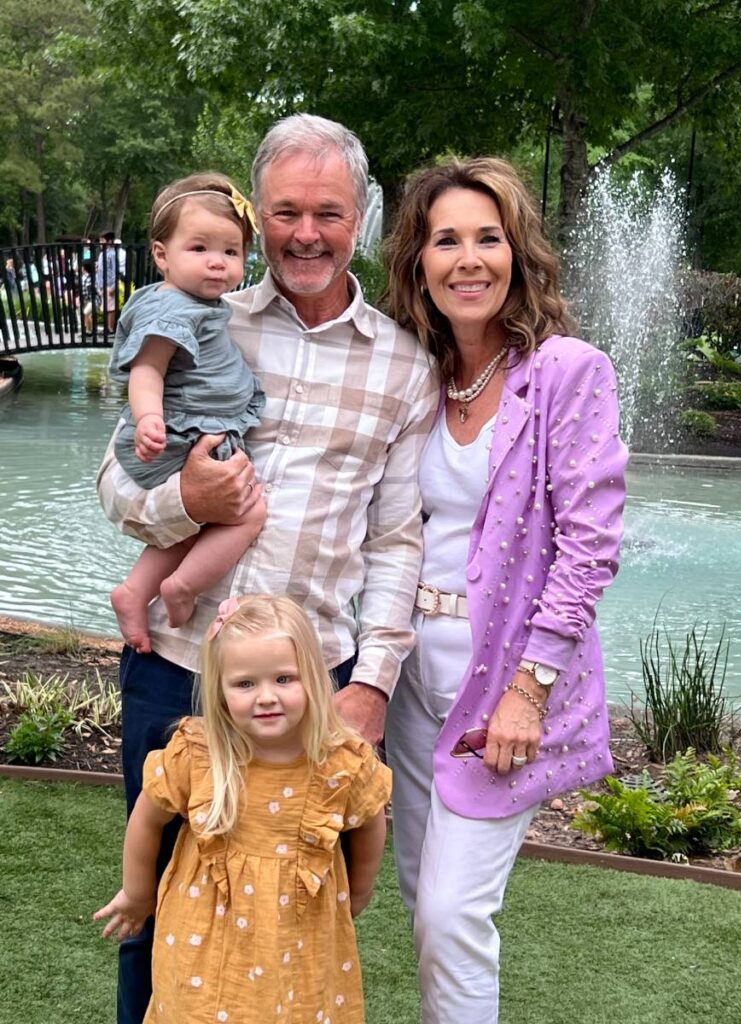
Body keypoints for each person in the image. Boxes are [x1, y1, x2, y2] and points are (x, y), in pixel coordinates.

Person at [96, 114, 439, 1024]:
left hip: (313, 683)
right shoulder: (202, 319)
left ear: (361, 215)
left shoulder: (406, 366)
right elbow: (115, 479)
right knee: (158, 907)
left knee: (294, 921)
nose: (306, 234)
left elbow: (399, 542)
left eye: (328, 211)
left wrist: (371, 683)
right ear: (258, 217)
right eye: (285, 211)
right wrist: (187, 507)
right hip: (178, 664)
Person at [382, 157, 628, 1023]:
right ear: (419, 262)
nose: (469, 258)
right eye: (446, 239)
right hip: (412, 683)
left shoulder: (566, 370)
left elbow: (590, 547)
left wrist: (531, 687)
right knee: (423, 903)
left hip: (500, 693)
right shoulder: (417, 373)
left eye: (489, 238)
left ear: (519, 255)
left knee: (453, 914)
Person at [94, 593, 391, 1024]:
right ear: (220, 689)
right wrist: (137, 893)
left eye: (284, 679)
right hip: (203, 936)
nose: (265, 697)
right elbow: (147, 816)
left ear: (312, 675)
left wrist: (359, 890)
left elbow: (369, 820)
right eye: (245, 683)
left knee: (300, 1007)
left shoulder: (341, 761)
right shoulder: (199, 755)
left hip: (302, 937)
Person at [108, 172, 266, 654]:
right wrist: (150, 419)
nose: (217, 262)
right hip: (180, 435)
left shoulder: (198, 303)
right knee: (247, 512)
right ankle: (181, 585)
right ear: (162, 255)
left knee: (199, 517)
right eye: (199, 249)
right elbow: (147, 371)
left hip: (193, 431)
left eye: (231, 251)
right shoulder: (170, 310)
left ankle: (136, 590)